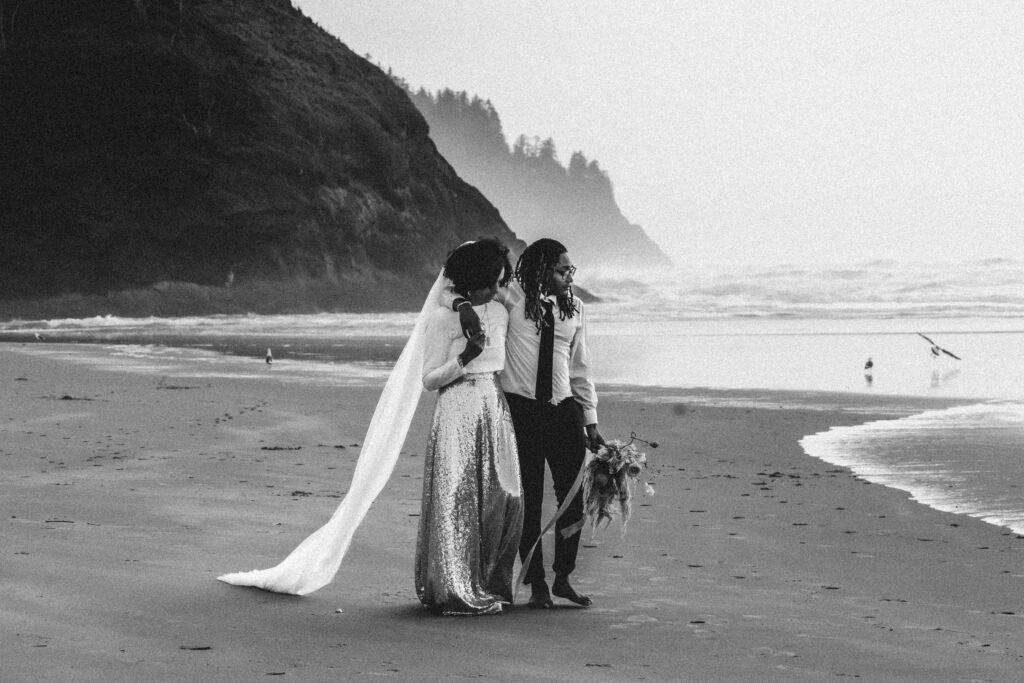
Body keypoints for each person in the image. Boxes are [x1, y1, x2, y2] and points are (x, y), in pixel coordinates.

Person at [449, 238, 604, 609]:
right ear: (540, 270)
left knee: (574, 500)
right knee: (528, 502)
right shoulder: (512, 299)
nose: (569, 277)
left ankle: (563, 576)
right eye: (562, 270)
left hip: (564, 411)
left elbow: (581, 369)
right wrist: (461, 306)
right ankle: (536, 584)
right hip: (523, 413)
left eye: (572, 270)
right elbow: (454, 291)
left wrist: (591, 420)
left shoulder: (576, 308)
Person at [415, 239, 524, 615]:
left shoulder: (500, 309)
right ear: (472, 279)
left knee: (506, 496)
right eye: (490, 284)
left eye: (500, 283)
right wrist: (465, 357)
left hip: (495, 406)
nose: (497, 291)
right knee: (457, 498)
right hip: (457, 407)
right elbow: (429, 380)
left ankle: (492, 582)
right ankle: (454, 587)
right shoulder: (443, 319)